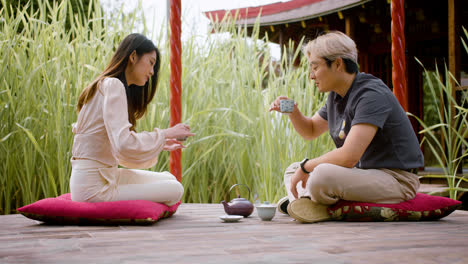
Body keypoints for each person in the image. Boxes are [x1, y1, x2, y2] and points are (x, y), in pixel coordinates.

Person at [269, 31, 423, 223]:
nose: (311, 75)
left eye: (315, 67)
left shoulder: (371, 94)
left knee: (320, 175)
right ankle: (309, 204)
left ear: (338, 64)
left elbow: (349, 157)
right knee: (293, 169)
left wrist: (307, 167)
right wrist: (292, 111)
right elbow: (310, 130)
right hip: (365, 175)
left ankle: (310, 203)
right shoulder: (337, 95)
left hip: (396, 180)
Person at [70, 33, 194, 206]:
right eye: (151, 62)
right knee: (176, 189)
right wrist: (166, 133)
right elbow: (123, 145)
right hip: (95, 188)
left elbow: (116, 149)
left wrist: (161, 143)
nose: (152, 72)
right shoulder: (114, 85)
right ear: (133, 56)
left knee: (169, 178)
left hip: (98, 178)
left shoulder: (103, 84)